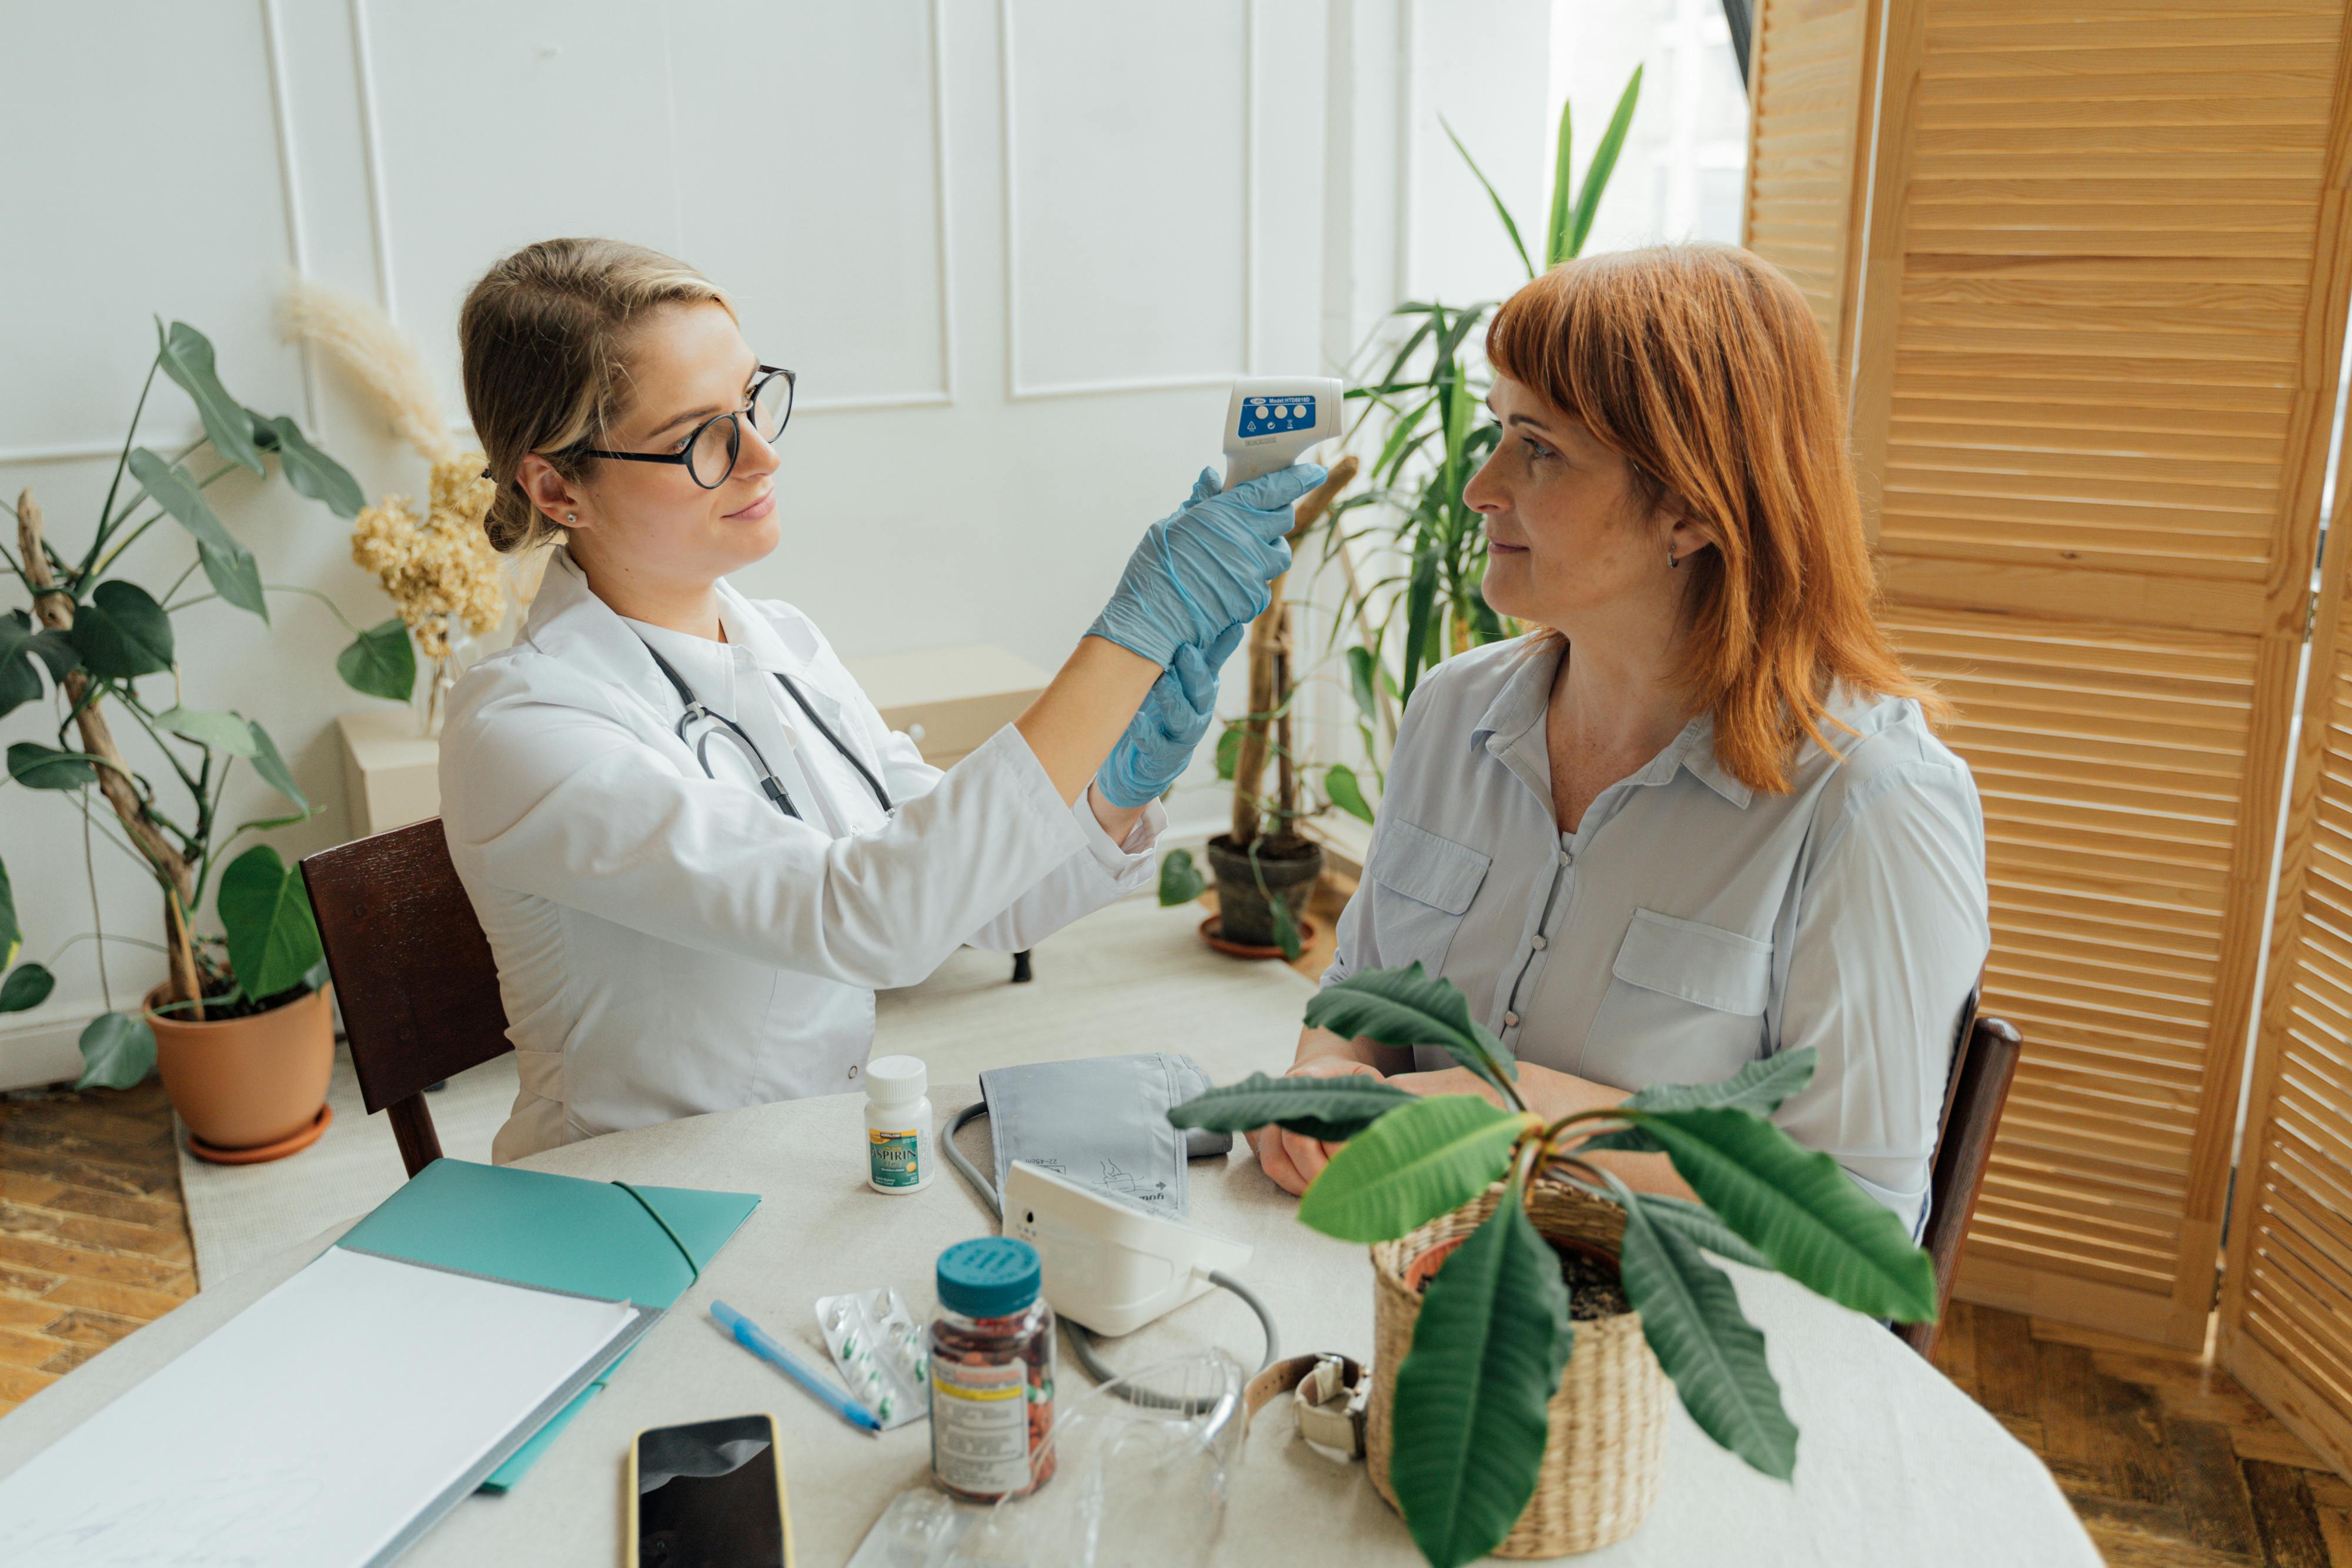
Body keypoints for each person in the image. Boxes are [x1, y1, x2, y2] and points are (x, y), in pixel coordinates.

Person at [437, 239, 1322, 1161]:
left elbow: (974, 903)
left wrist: (1119, 785)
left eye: (750, 401)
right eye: (699, 437)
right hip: (632, 1197)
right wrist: (1132, 637)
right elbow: (869, 920)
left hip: (804, 1159)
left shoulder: (780, 641)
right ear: (554, 485)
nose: (762, 455)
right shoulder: (523, 727)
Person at [1251, 246, 1988, 1236]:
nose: (1481, 487)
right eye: (1497, 433)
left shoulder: (1874, 805)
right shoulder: (1450, 713)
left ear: (1690, 510)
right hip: (1411, 1272)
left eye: (1538, 448)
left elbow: (1854, 1210)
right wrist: (1326, 1081)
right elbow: (1360, 1002)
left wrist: (1514, 1114)